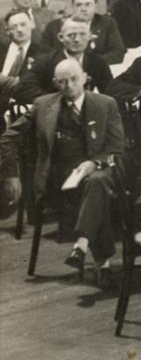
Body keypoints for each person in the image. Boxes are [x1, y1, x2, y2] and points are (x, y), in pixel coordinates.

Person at [0, 59, 126, 275]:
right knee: (95, 188)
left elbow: (116, 146)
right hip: (59, 178)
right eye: (62, 81)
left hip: (99, 167)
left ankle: (82, 246)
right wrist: (11, 174)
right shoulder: (43, 105)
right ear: (55, 83)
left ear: (85, 77)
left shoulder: (106, 104)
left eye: (74, 79)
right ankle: (99, 259)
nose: (69, 86)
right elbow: (7, 139)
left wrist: (93, 163)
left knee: (96, 180)